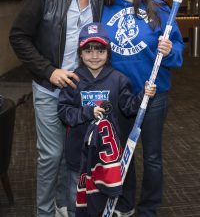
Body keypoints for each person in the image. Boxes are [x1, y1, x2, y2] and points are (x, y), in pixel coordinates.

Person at [9, 0, 105, 217]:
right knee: (51, 154)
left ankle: (64, 205)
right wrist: (49, 71)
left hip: (83, 92)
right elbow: (19, 37)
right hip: (50, 88)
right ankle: (44, 212)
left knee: (74, 152)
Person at [101, 0, 184, 217]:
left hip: (153, 93)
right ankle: (125, 205)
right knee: (123, 154)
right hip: (120, 94)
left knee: (152, 157)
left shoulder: (159, 8)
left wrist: (170, 50)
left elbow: (179, 52)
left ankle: (148, 209)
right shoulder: (103, 7)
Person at [58, 22, 156, 217]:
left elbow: (128, 108)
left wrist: (143, 95)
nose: (94, 56)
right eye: (88, 50)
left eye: (100, 50)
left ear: (108, 52)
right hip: (78, 154)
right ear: (80, 53)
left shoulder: (119, 79)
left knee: (101, 198)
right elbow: (64, 112)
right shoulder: (72, 80)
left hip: (106, 157)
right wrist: (87, 112)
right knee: (75, 200)